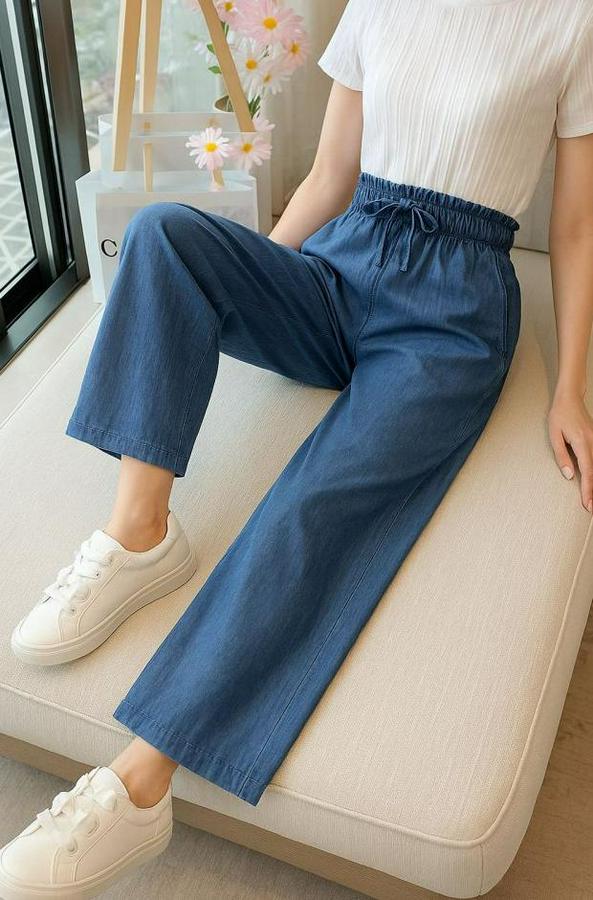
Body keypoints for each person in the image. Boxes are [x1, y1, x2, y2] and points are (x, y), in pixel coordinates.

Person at [2, 0, 593, 896]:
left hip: (451, 319)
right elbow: (328, 177)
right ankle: (140, 535)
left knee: (317, 503)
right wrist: (244, 291)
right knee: (164, 234)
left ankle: (136, 789)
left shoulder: (572, 21)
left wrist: (569, 389)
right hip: (341, 267)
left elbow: (578, 228)